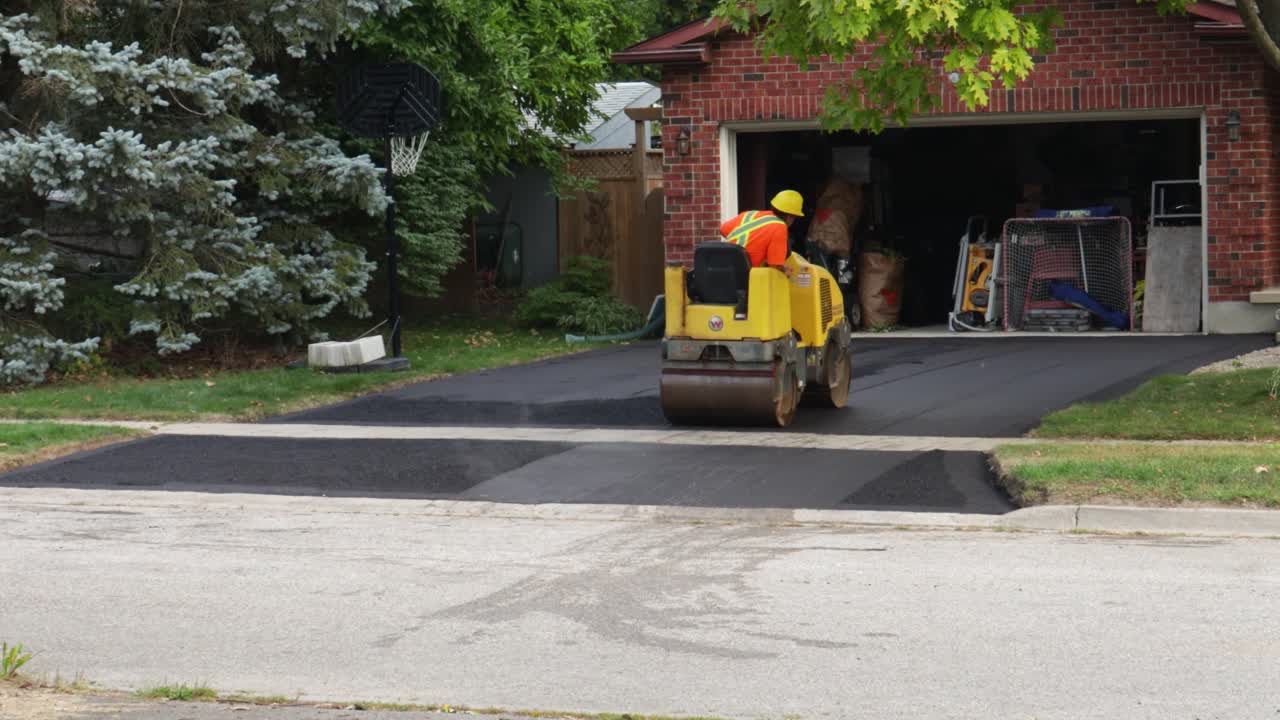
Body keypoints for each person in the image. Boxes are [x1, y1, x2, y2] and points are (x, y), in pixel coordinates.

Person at [719, 190, 804, 277]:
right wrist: (786, 271)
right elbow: (775, 265)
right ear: (790, 217)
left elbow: (723, 230)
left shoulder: (749, 214)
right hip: (746, 278)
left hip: (724, 269)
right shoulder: (780, 227)